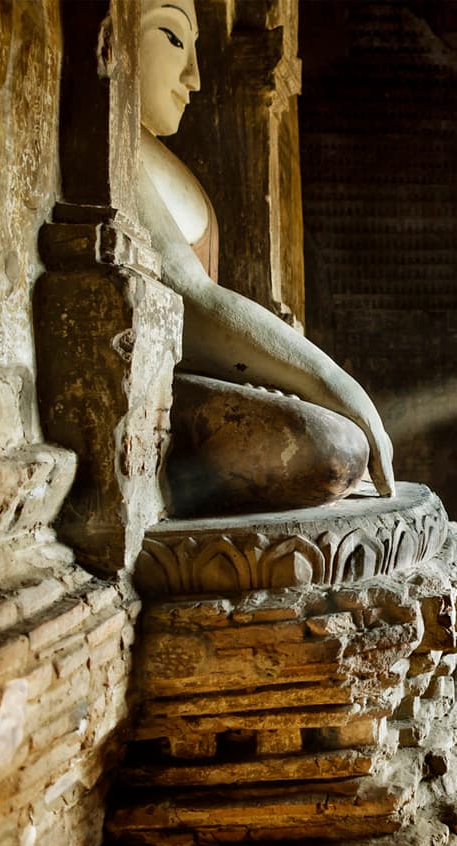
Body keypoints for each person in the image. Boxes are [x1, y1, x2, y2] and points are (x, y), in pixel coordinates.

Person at [133, 0, 395, 512]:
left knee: (337, 441)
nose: (194, 77)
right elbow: (191, 297)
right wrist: (343, 389)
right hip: (155, 388)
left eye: (197, 49)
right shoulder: (117, 151)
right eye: (171, 37)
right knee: (332, 447)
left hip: (210, 374)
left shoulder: (163, 159)